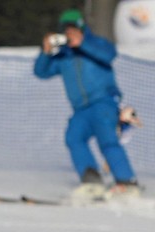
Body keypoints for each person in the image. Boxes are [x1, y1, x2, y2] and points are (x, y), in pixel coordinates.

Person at [33, 8, 138, 198]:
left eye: (73, 28)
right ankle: (92, 181)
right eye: (66, 29)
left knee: (108, 140)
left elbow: (109, 55)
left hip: (103, 103)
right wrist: (45, 51)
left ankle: (126, 182)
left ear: (81, 28)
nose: (69, 32)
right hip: (81, 109)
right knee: (74, 138)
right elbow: (41, 72)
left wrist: (82, 44)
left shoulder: (96, 43)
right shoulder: (64, 55)